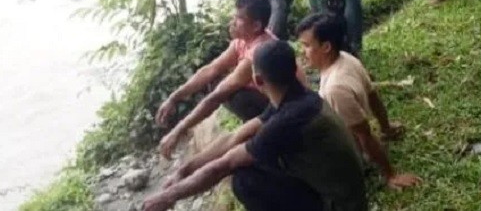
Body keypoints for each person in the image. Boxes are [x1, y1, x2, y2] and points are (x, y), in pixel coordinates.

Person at [142, 40, 368, 211]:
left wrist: (168, 196)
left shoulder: (287, 119)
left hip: (340, 205)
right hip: (344, 189)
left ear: (258, 81)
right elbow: (234, 137)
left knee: (245, 181)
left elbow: (223, 165)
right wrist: (184, 170)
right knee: (250, 161)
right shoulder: (296, 97)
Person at [156, 0, 305, 159]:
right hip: (277, 101)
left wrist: (177, 130)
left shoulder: (258, 51)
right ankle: (257, 127)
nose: (232, 22)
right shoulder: (243, 41)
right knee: (215, 80)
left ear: (256, 25)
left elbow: (218, 96)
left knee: (232, 93)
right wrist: (174, 98)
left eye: (239, 18)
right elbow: (210, 69)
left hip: (290, 110)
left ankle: (267, 134)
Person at [296, 13, 422, 190]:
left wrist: (390, 175)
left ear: (326, 47)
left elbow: (365, 135)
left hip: (346, 149)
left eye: (307, 45)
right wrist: (386, 127)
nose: (303, 51)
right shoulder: (346, 58)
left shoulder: (335, 88)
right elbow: (373, 96)